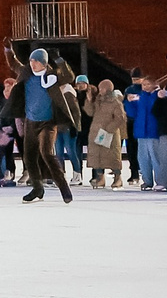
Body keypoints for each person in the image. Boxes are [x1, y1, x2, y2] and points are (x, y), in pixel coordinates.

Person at [10, 45, 73, 203]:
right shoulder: (26, 74)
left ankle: (63, 186)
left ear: (44, 63)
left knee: (46, 153)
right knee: (29, 156)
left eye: (36, 61)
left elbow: (69, 77)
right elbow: (13, 63)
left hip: (48, 122)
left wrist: (59, 60)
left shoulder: (52, 75)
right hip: (31, 121)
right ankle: (37, 188)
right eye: (31, 61)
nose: (33, 64)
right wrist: (8, 50)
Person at [85, 80, 126, 189]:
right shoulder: (98, 100)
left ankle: (117, 178)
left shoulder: (115, 102)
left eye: (102, 88)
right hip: (96, 132)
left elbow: (120, 118)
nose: (100, 90)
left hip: (110, 134)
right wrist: (89, 101)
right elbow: (90, 112)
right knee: (97, 156)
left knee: (113, 156)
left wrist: (108, 129)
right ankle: (100, 178)